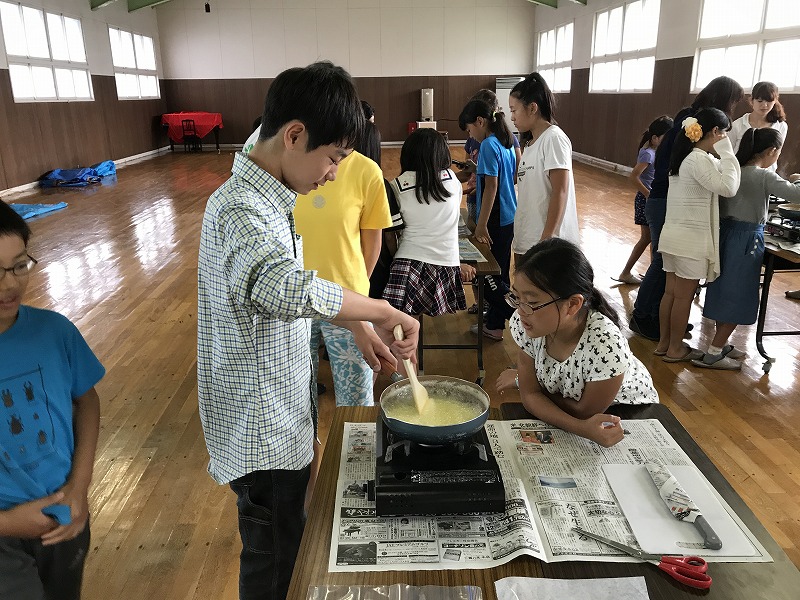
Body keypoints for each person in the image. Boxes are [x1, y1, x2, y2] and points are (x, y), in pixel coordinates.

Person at [197, 61, 419, 600]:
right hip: (262, 426)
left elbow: (290, 286)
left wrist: (354, 323)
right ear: (294, 135)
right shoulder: (243, 209)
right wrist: (379, 311)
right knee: (275, 559)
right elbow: (278, 286)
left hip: (276, 410)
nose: (335, 173)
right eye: (334, 157)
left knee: (285, 542)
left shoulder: (269, 191)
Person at [0, 200, 105, 600]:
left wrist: (80, 488)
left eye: (19, 265)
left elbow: (87, 401)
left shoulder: (54, 331)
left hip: (63, 518)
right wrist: (7, 524)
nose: (9, 284)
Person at [504, 238, 658, 448]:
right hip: (573, 408)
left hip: (627, 411)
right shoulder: (529, 324)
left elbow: (583, 411)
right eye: (516, 297)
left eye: (532, 302)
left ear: (573, 304)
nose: (521, 311)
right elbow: (530, 396)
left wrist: (526, 384)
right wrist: (529, 389)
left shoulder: (605, 344)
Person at [629, 76, 743, 341]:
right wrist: (726, 155)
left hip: (665, 200)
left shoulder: (688, 123)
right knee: (666, 272)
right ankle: (645, 317)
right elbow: (727, 187)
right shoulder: (693, 132)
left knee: (667, 277)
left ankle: (665, 327)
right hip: (666, 203)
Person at [696, 129, 800, 370]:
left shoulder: (733, 169)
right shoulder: (763, 175)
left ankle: (719, 344)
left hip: (725, 235)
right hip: (747, 240)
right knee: (740, 294)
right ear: (772, 151)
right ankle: (714, 352)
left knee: (723, 289)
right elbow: (796, 194)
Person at [655, 108, 741, 363]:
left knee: (670, 294)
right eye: (724, 132)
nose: (725, 137)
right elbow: (729, 187)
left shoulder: (684, 157)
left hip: (673, 237)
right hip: (689, 241)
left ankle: (664, 344)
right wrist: (727, 152)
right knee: (682, 297)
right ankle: (674, 349)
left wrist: (721, 156)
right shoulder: (698, 159)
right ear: (715, 132)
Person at [382, 129, 467, 318]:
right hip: (447, 264)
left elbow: (390, 234)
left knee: (402, 328)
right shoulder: (453, 181)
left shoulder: (395, 186)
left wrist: (395, 257)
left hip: (407, 263)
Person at [459, 99, 517, 341]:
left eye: (471, 129)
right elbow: (504, 179)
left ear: (481, 122)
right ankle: (494, 324)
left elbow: (492, 186)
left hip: (494, 218)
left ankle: (515, 317)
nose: (471, 135)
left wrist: (481, 225)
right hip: (507, 215)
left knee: (489, 276)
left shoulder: (489, 146)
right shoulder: (506, 143)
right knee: (500, 273)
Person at [508, 72, 580, 263]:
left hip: (546, 245)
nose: (512, 117)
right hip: (527, 239)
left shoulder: (554, 139)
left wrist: (547, 238)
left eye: (514, 110)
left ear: (532, 108)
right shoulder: (530, 144)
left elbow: (560, 191)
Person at [616, 115, 674, 285]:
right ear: (655, 138)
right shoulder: (649, 154)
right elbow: (633, 177)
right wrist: (649, 195)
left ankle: (649, 273)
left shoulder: (650, 151)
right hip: (646, 200)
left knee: (650, 238)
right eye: (666, 138)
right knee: (648, 238)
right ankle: (627, 272)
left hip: (647, 199)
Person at [727, 82, 788, 163]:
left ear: (775, 101)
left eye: (769, 101)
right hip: (740, 172)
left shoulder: (781, 126)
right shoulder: (737, 125)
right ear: (752, 101)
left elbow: (776, 153)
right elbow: (729, 154)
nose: (764, 105)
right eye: (760, 101)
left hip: (767, 173)